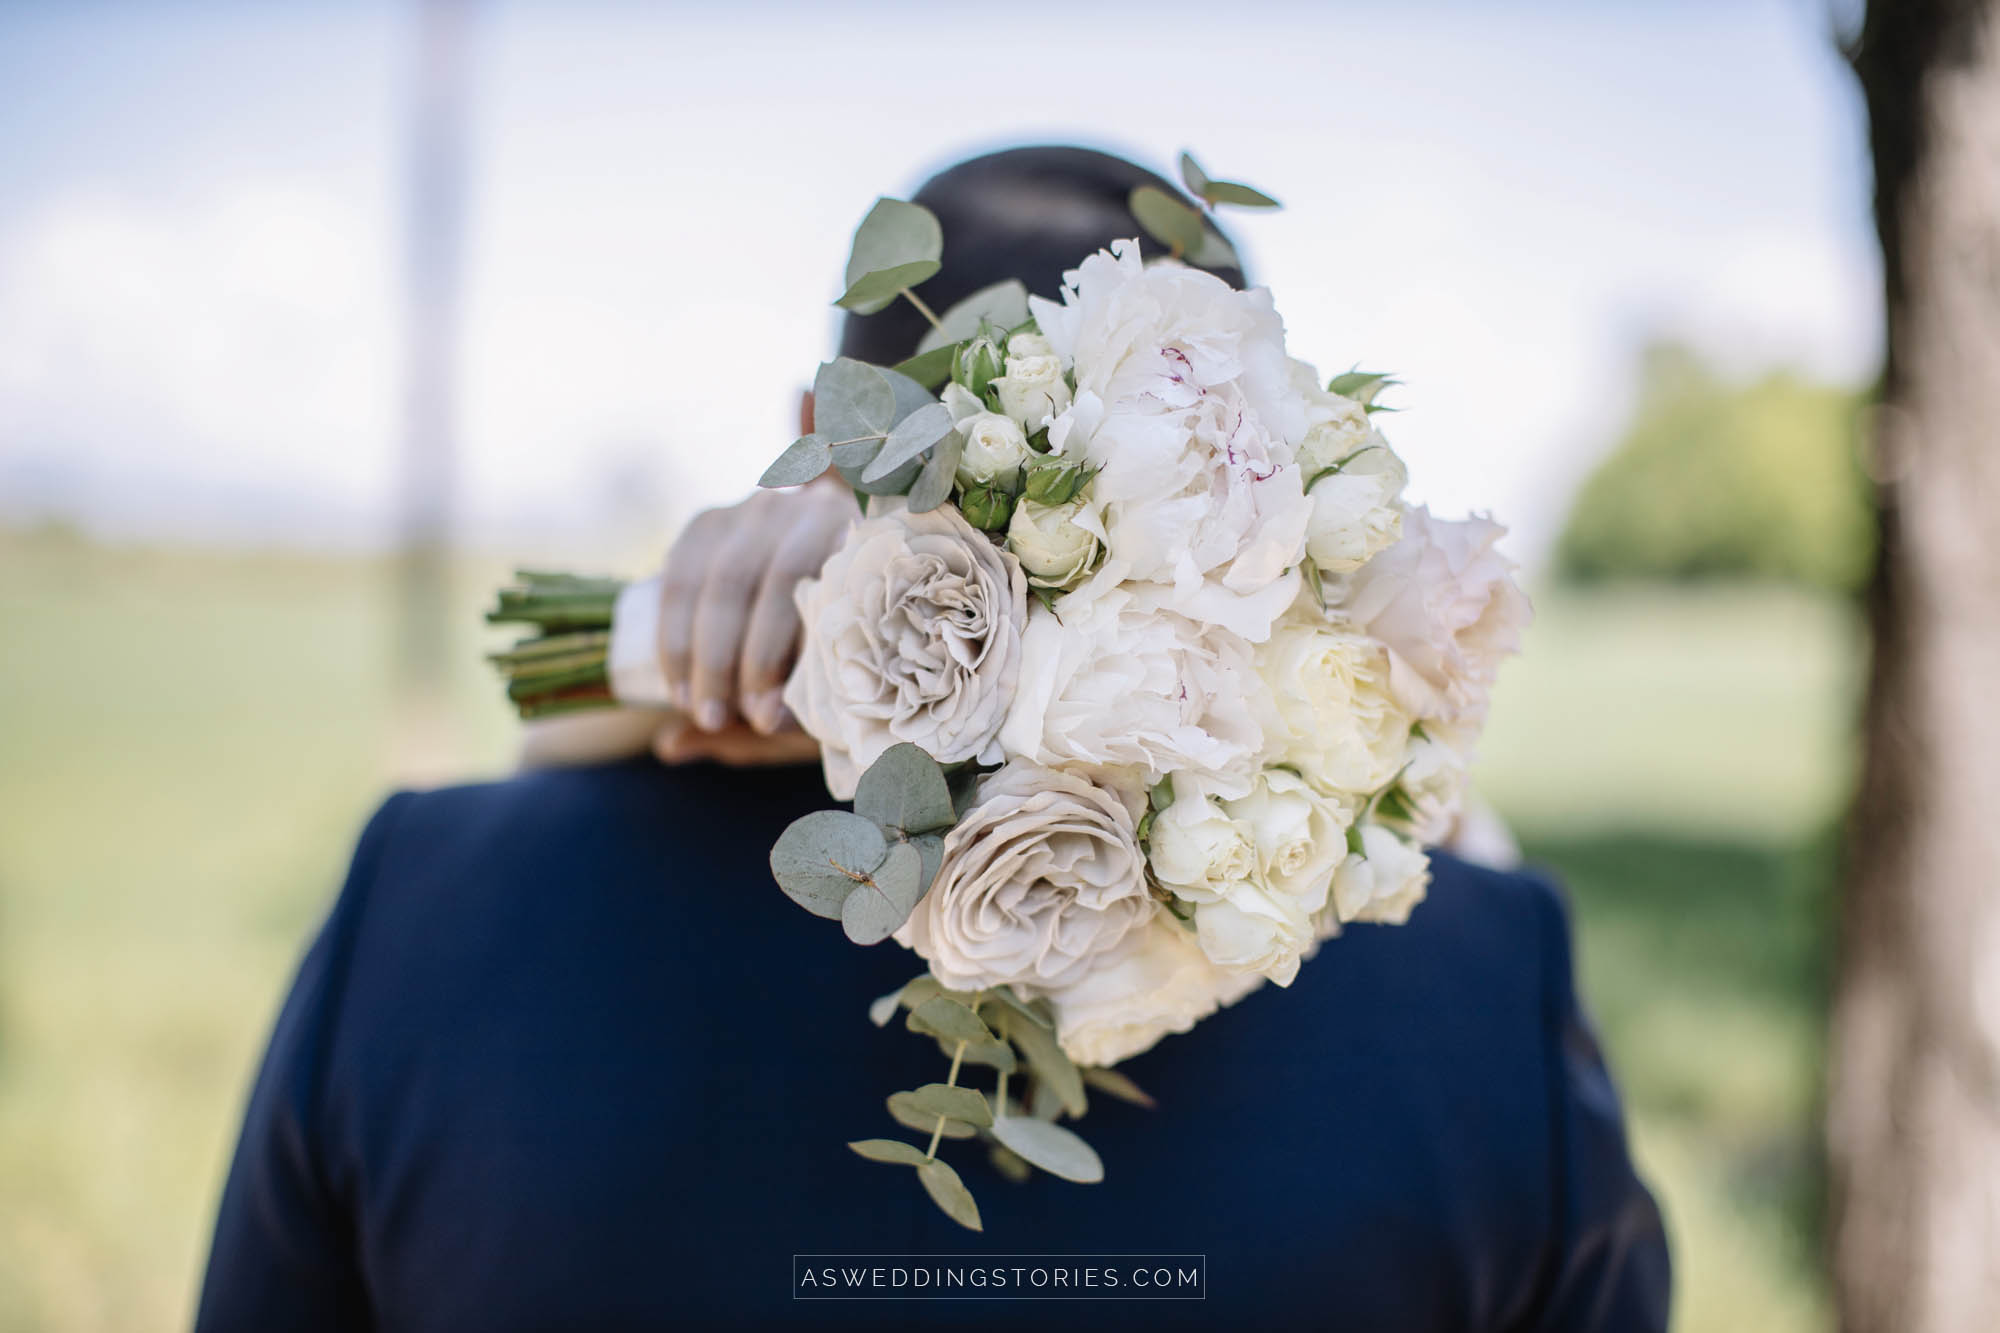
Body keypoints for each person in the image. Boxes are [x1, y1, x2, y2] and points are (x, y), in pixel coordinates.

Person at [195, 147, 1671, 1332]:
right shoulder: (1486, 978)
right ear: (1279, 502)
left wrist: (656, 677)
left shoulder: (429, 903)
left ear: (815, 439)